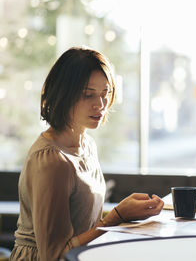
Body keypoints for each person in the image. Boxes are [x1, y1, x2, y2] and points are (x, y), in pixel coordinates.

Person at [10, 47, 164, 261]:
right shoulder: (53, 160)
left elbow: (84, 226)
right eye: (88, 94)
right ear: (63, 94)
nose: (100, 104)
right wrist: (117, 216)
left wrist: (125, 215)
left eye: (105, 94)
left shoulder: (88, 146)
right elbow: (55, 256)